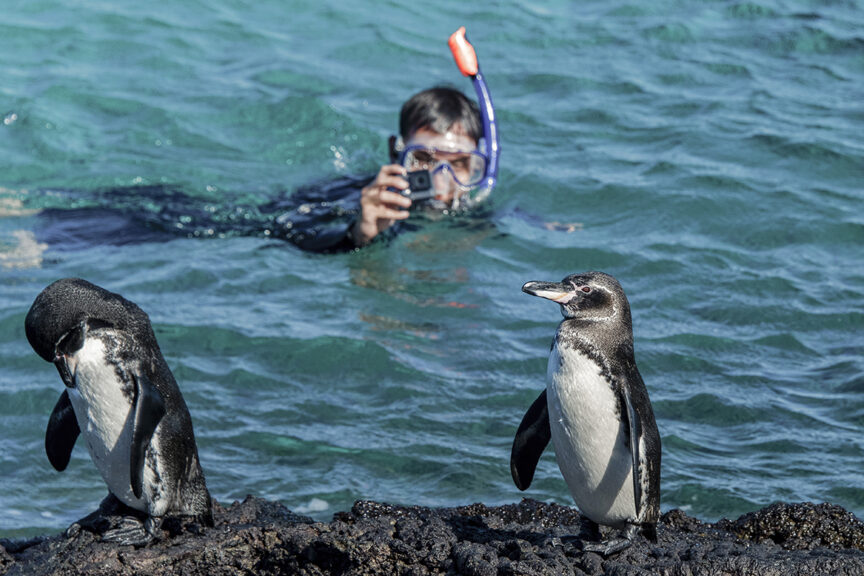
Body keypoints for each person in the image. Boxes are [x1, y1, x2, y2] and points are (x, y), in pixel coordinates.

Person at [268, 86, 492, 253]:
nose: (441, 183)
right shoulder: (353, 199)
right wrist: (358, 235)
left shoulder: (483, 220)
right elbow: (283, 233)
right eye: (424, 159)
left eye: (460, 164)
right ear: (395, 153)